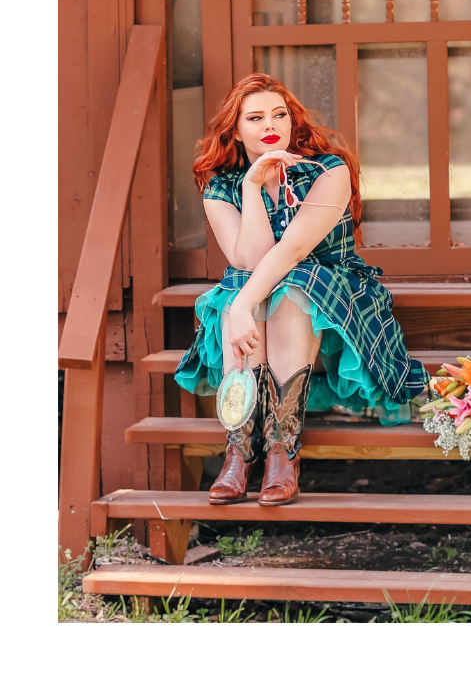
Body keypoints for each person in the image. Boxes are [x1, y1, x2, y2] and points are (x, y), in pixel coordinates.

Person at [173, 73, 426, 506]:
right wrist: (253, 186)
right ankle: (241, 448)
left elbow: (293, 250)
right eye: (255, 117)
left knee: (288, 288)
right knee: (246, 289)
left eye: (280, 114)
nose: (270, 124)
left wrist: (242, 306)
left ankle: (281, 451)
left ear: (292, 122)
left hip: (331, 298)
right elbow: (250, 260)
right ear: (236, 131)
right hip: (261, 302)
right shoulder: (222, 185)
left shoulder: (329, 170)